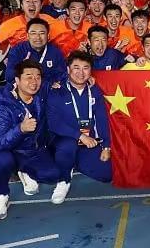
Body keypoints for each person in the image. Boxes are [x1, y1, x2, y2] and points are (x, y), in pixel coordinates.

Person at [0, 59, 61, 221]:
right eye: (28, 77)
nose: (34, 81)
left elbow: (62, 78)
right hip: (7, 150)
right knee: (0, 161)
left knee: (53, 175)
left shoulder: (41, 94)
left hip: (31, 151)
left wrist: (89, 79)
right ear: (17, 80)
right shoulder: (1, 106)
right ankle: (1, 195)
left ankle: (23, 170)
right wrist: (20, 129)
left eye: (37, 77)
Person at [46, 51, 112, 204]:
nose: (81, 73)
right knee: (68, 147)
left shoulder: (95, 91)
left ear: (90, 71)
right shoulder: (57, 91)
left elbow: (101, 119)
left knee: (106, 174)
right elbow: (54, 123)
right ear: (68, 69)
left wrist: (106, 147)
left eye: (85, 68)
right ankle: (63, 180)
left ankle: (72, 162)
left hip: (88, 142)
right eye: (76, 67)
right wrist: (80, 136)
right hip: (64, 141)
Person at [5, 18, 67, 85]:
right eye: (33, 33)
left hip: (47, 89)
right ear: (27, 36)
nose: (38, 37)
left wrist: (48, 84)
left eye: (42, 33)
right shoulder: (18, 50)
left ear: (48, 36)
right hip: (25, 88)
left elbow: (62, 76)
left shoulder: (55, 52)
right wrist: (21, 68)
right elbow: (9, 77)